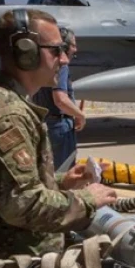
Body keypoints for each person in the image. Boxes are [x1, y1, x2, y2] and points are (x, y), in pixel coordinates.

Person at [0, 8, 118, 268]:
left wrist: (61, 182)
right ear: (27, 53)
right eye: (56, 50)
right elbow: (21, 204)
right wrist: (88, 200)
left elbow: (0, 186)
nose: (65, 60)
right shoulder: (8, 115)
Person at [32, 27, 84, 169]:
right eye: (73, 45)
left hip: (44, 123)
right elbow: (60, 99)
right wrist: (80, 115)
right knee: (64, 171)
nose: (75, 49)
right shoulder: (61, 66)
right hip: (59, 127)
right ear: (65, 46)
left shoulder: (41, 65)